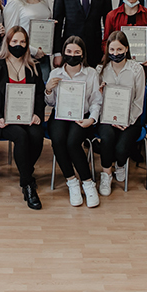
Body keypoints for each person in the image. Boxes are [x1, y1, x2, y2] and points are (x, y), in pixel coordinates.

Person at [0, 26, 47, 209]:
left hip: (28, 117)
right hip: (2, 119)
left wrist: (38, 114)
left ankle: (26, 171)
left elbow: (40, 95)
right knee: (21, 136)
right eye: (15, 41)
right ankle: (28, 185)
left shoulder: (33, 67)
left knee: (37, 135)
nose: (19, 45)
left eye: (23, 42)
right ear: (7, 43)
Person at [46, 36, 103, 208]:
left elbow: (96, 101)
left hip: (82, 116)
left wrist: (91, 119)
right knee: (58, 140)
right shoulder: (55, 73)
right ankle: (71, 181)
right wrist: (48, 90)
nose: (72, 55)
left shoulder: (91, 73)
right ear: (64, 53)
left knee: (72, 142)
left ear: (82, 54)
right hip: (60, 115)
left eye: (77, 52)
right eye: (69, 51)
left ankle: (88, 182)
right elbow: (50, 103)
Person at [94, 31, 145, 193]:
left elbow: (139, 100)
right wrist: (99, 93)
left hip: (130, 119)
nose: (115, 53)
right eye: (112, 50)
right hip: (106, 117)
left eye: (119, 49)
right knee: (107, 138)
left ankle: (120, 164)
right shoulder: (100, 69)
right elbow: (94, 101)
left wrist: (127, 120)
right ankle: (106, 174)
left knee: (122, 149)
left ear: (126, 49)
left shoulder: (137, 69)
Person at [3, 0, 53, 80]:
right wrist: (33, 51)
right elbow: (10, 34)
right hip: (23, 55)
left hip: (44, 54)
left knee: (44, 87)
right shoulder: (15, 2)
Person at [103, 0, 147, 70]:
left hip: (142, 66)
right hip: (117, 64)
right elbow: (106, 42)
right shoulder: (112, 15)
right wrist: (112, 54)